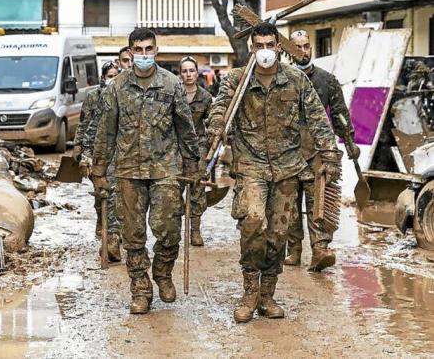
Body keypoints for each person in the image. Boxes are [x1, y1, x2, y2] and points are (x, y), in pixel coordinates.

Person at [207, 22, 341, 323]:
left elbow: (318, 118)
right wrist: (217, 126)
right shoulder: (237, 80)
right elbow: (220, 107)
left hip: (287, 168)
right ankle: (249, 291)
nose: (265, 51)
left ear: (278, 47)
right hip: (251, 165)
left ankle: (267, 294)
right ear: (251, 49)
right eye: (259, 46)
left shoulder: (295, 80)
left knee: (278, 233)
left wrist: (329, 154)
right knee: (253, 222)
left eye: (270, 44)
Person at [92, 28, 200, 315]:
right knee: (133, 234)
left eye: (148, 49)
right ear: (129, 52)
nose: (143, 55)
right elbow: (105, 132)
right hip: (128, 169)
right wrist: (99, 171)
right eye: (137, 50)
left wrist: (193, 166)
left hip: (165, 168)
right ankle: (140, 288)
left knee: (168, 229)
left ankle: (163, 272)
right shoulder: (116, 88)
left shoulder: (171, 84)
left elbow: (185, 128)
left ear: (156, 50)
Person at [285, 30, 358, 271]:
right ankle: (293, 249)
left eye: (307, 46)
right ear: (289, 50)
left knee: (319, 201)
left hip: (318, 150)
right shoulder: (282, 79)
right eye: (298, 47)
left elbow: (340, 116)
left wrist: (349, 142)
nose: (303, 51)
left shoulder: (327, 80)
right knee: (289, 203)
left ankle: (320, 248)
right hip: (288, 151)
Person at [73, 62, 122, 262]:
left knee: (120, 197)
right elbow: (87, 124)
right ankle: (109, 234)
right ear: (103, 77)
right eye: (110, 75)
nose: (113, 79)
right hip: (101, 153)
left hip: (124, 153)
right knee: (106, 195)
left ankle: (116, 235)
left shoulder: (126, 97)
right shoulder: (96, 98)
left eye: (116, 75)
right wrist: (82, 151)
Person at [179, 56, 212, 246]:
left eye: (191, 70)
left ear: (197, 73)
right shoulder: (175, 94)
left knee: (197, 189)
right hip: (176, 147)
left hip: (198, 148)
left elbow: (212, 122)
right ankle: (174, 232)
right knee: (174, 190)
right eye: (185, 71)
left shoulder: (205, 97)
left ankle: (195, 231)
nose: (188, 74)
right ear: (180, 74)